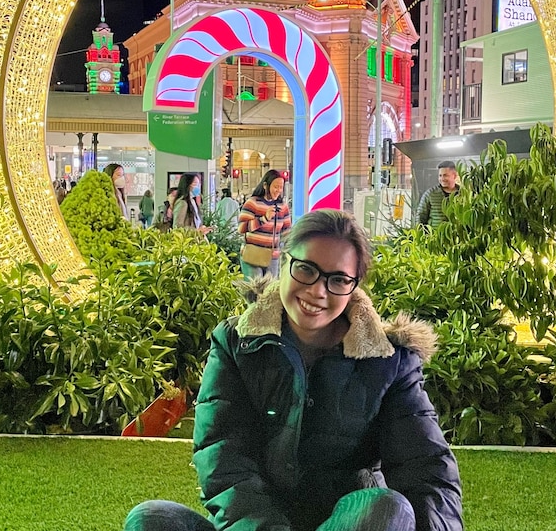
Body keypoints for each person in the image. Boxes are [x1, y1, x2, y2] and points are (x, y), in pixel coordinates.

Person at [123, 210, 463, 531]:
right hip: (261, 522)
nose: (317, 291)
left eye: (338, 279)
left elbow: (427, 469)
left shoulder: (388, 360)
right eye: (306, 269)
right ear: (283, 261)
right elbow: (225, 462)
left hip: (347, 522)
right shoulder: (238, 343)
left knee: (387, 507)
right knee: (151, 518)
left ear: (354, 286)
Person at [238, 169, 291, 280]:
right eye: (275, 187)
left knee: (269, 293)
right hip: (253, 254)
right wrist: (263, 219)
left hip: (272, 257)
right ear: (266, 186)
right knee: (254, 292)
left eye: (281, 187)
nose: (278, 190)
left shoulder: (283, 207)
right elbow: (242, 228)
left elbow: (286, 232)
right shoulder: (253, 203)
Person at [417, 161, 460, 228]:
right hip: (435, 237)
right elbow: (420, 217)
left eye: (445, 175)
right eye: (440, 175)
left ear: (454, 176)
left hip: (459, 237)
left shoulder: (463, 194)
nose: (442, 179)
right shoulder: (430, 194)